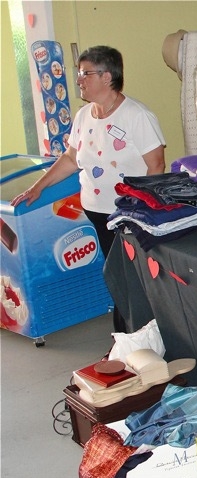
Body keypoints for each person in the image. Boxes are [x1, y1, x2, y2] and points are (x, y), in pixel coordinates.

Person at [11, 45, 166, 333]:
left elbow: (156, 165)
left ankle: (131, 340)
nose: (79, 80)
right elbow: (71, 159)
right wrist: (37, 187)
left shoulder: (137, 115)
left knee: (127, 279)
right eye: (79, 73)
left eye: (85, 73)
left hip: (128, 215)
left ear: (107, 76)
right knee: (117, 277)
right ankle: (129, 340)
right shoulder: (84, 116)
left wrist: (141, 210)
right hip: (96, 212)